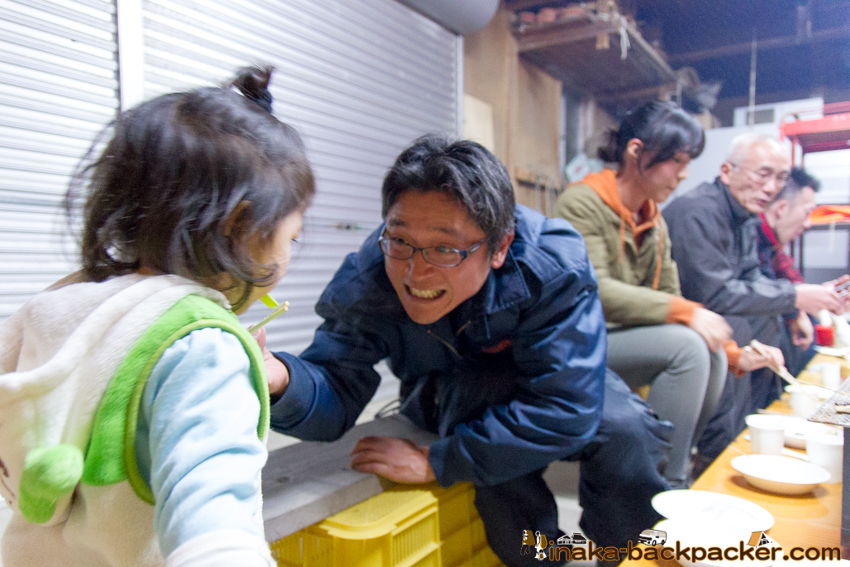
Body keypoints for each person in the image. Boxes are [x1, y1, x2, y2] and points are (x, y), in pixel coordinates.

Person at [264, 135, 674, 567]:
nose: (415, 271)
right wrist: (282, 380)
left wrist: (439, 461)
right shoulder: (371, 277)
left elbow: (568, 403)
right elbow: (334, 386)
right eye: (399, 240)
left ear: (499, 247)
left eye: (445, 248)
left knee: (628, 429)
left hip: (549, 390)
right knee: (481, 408)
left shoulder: (551, 265)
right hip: (449, 397)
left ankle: (628, 556)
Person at [0, 66, 315, 567]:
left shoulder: (71, 306)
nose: (290, 256)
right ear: (241, 224)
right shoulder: (201, 345)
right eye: (291, 237)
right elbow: (214, 533)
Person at [554, 101, 780, 489]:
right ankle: (666, 485)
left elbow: (671, 295)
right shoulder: (581, 202)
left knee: (708, 350)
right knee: (687, 347)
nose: (684, 173)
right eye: (676, 160)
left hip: (619, 339)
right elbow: (596, 289)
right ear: (636, 151)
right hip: (576, 343)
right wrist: (685, 312)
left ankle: (675, 468)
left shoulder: (653, 219)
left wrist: (732, 353)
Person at [663, 133, 845, 464]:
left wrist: (797, 302)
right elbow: (713, 294)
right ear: (727, 171)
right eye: (764, 174)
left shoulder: (743, 214)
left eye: (780, 178)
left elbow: (752, 278)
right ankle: (716, 453)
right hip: (683, 318)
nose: (773, 187)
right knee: (735, 325)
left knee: (769, 319)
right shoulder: (698, 210)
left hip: (715, 311)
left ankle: (757, 425)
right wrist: (796, 296)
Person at [757, 168, 849, 375]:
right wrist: (797, 305)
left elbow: (792, 282)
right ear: (781, 208)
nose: (808, 224)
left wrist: (826, 295)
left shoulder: (773, 245)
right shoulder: (750, 234)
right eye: (807, 213)